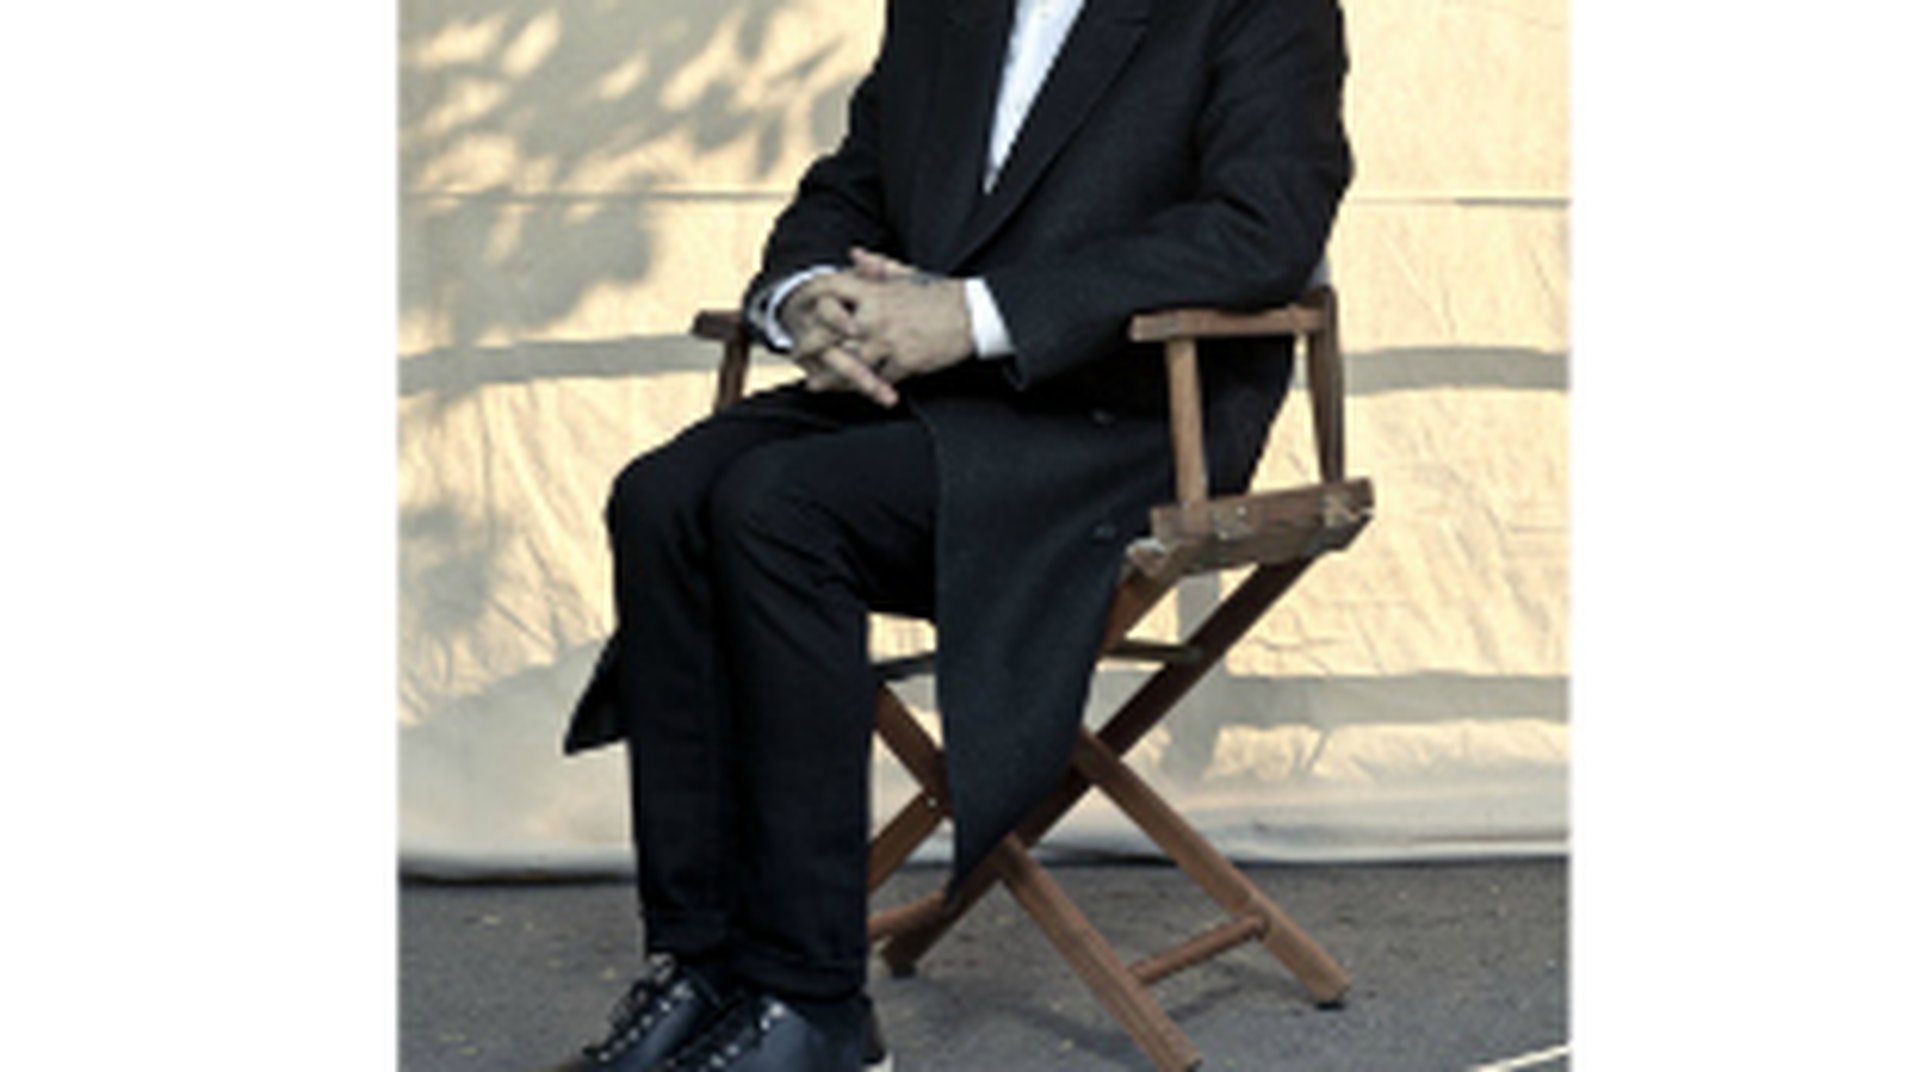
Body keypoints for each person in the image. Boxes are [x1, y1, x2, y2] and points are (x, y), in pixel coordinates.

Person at [547, 0, 1352, 1068]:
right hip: (932, 401)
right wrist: (806, 298)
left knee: (776, 509)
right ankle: (706, 963)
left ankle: (815, 1003)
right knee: (659, 494)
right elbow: (851, 186)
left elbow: (1265, 227)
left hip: (1119, 420)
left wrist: (971, 315)